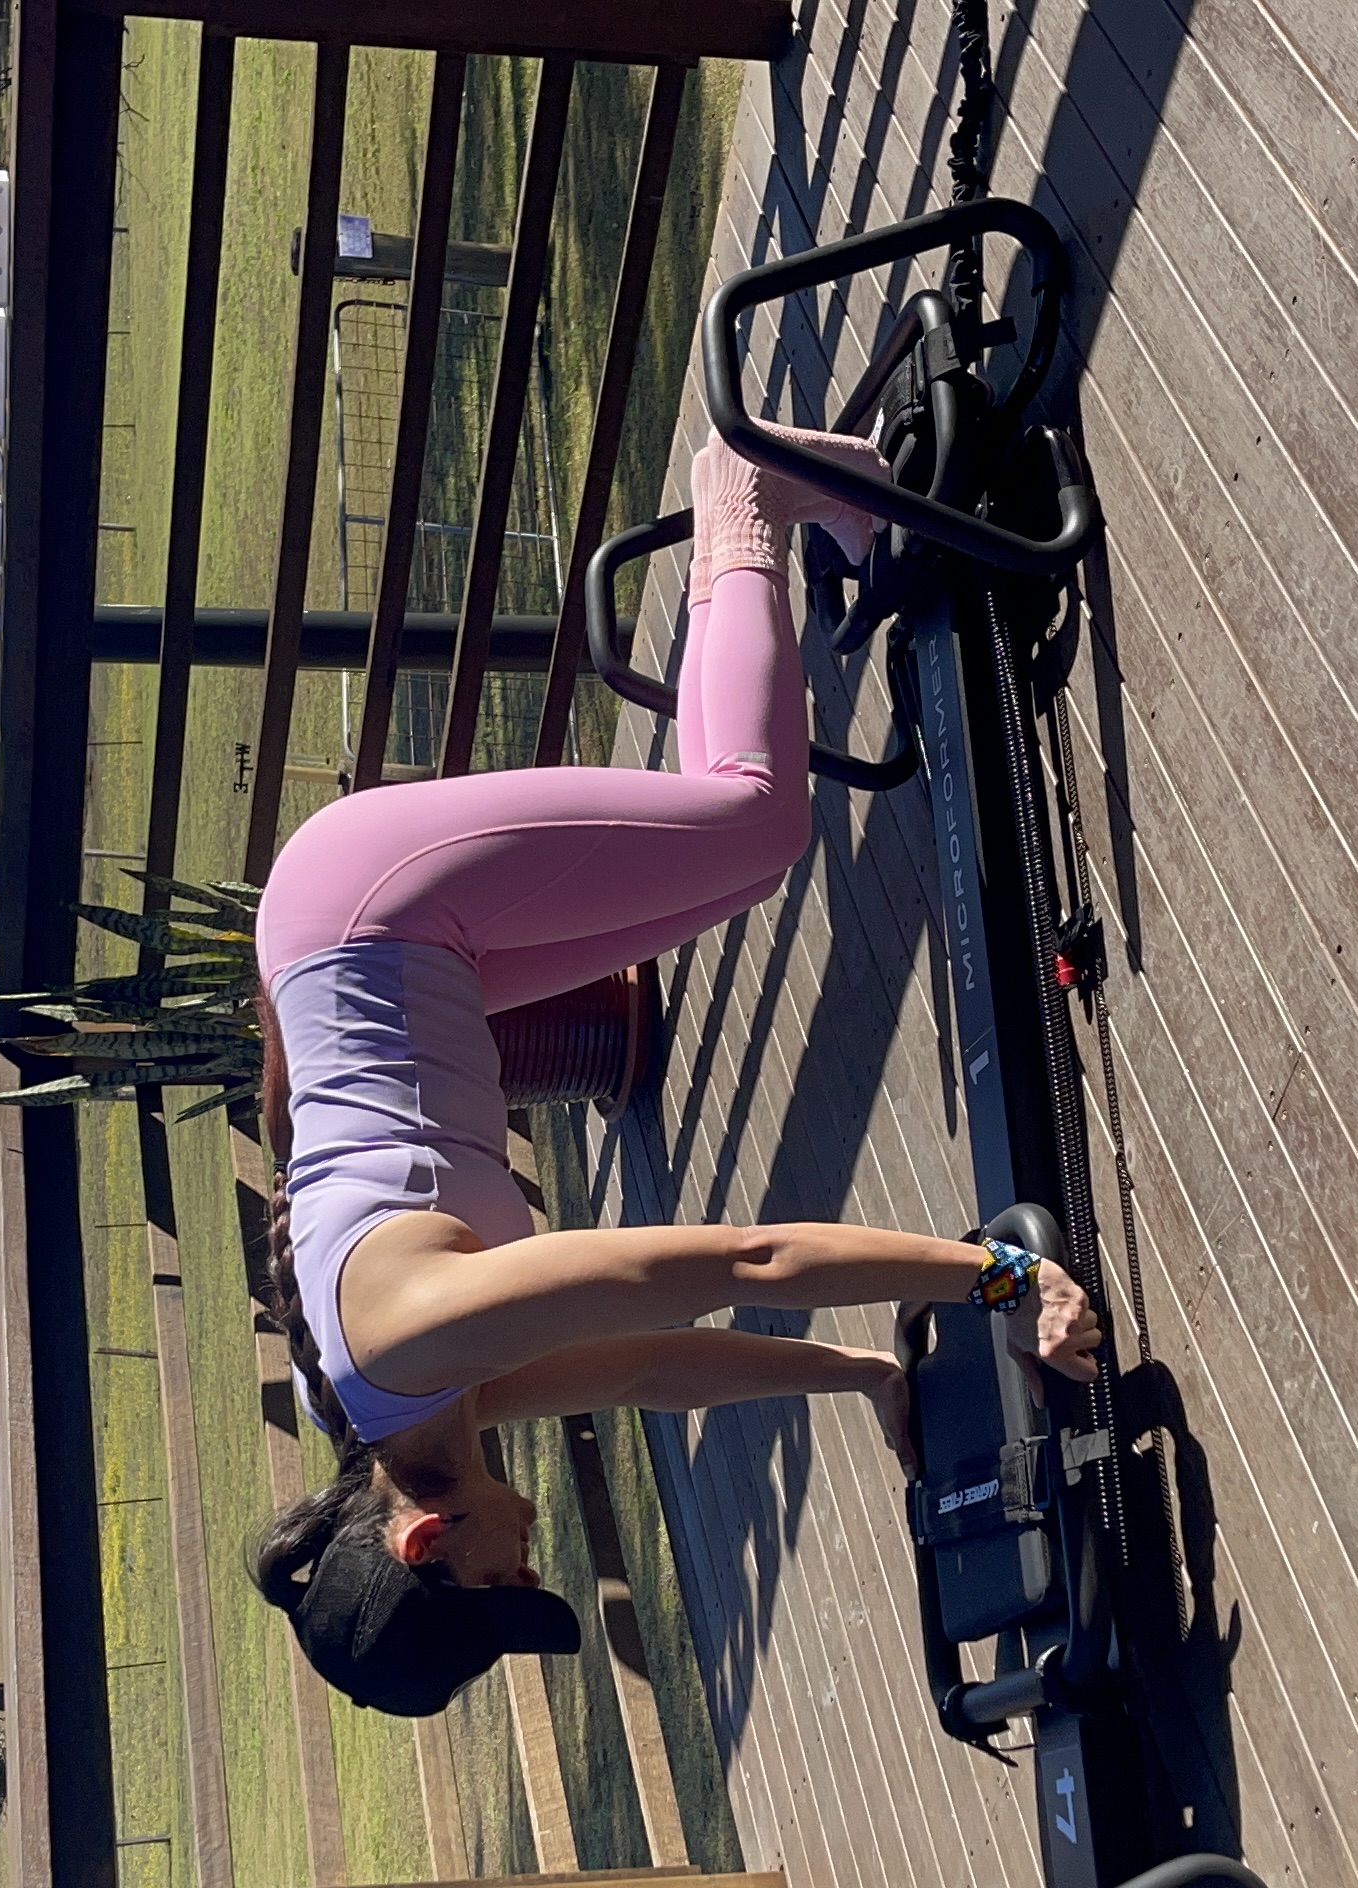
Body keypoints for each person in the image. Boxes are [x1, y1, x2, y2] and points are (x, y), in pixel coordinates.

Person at [249, 423, 1105, 1718]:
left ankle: (744, 485)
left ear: (427, 1542)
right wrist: (866, 1378)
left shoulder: (416, 1344)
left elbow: (740, 1264)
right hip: (412, 966)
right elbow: (660, 1367)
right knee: (745, 853)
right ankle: (795, 505)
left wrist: (1002, 1270)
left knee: (753, 814)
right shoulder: (420, 1415)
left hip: (369, 913)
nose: (536, 1565)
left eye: (510, 1581)